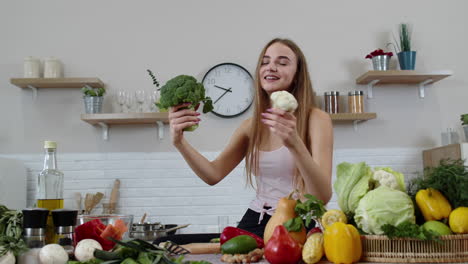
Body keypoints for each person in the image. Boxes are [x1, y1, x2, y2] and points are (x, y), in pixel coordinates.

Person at [168, 38, 333, 238]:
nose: (271, 67)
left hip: (300, 222)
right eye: (265, 62)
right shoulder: (250, 126)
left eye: (282, 63)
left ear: (297, 75)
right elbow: (212, 175)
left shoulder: (317, 119)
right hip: (256, 219)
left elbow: (322, 197)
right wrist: (179, 142)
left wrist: (295, 144)